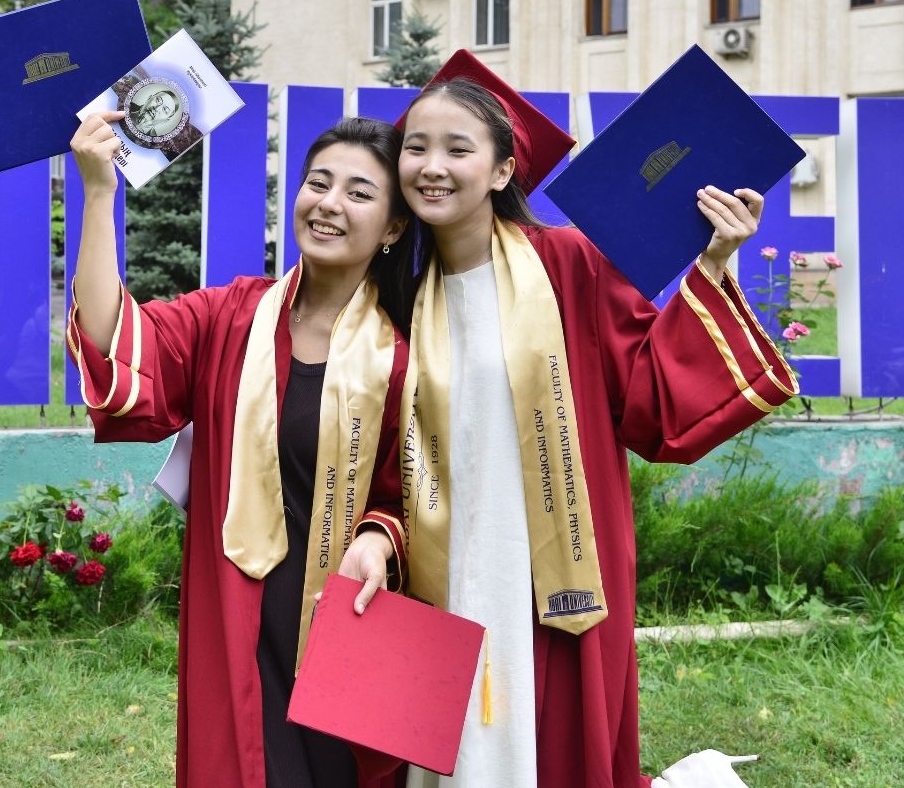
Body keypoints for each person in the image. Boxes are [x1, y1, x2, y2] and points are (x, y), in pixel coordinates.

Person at [340, 52, 797, 788]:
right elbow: (382, 445)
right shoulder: (397, 292)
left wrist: (714, 262)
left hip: (551, 549)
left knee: (544, 737)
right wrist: (376, 530)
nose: (433, 166)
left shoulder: (570, 264)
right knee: (446, 742)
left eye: (458, 148)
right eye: (416, 148)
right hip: (444, 552)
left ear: (502, 171)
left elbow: (650, 400)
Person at [67, 114, 417, 788]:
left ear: (394, 227)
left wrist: (379, 537)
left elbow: (419, 494)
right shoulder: (229, 318)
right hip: (238, 611)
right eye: (318, 183)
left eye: (359, 193)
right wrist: (100, 192)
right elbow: (114, 345)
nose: (329, 204)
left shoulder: (407, 351)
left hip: (350, 616)